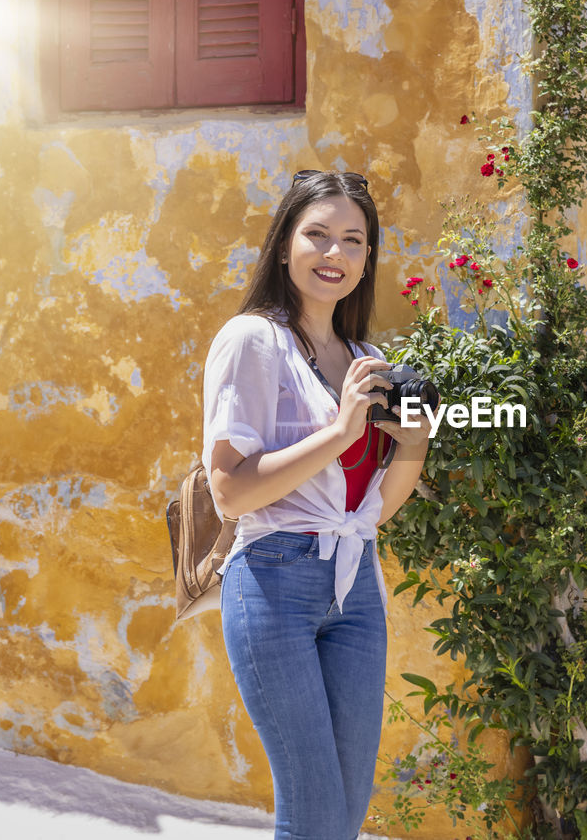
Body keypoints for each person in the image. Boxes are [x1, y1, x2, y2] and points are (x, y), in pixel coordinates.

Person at [201, 170, 429, 839]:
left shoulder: (367, 359)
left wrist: (413, 444)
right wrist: (340, 432)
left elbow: (369, 512)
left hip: (355, 590)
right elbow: (231, 490)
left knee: (345, 818)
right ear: (283, 246)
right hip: (273, 580)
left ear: (366, 259)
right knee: (314, 817)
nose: (336, 254)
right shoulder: (253, 340)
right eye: (318, 236)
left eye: (353, 241)